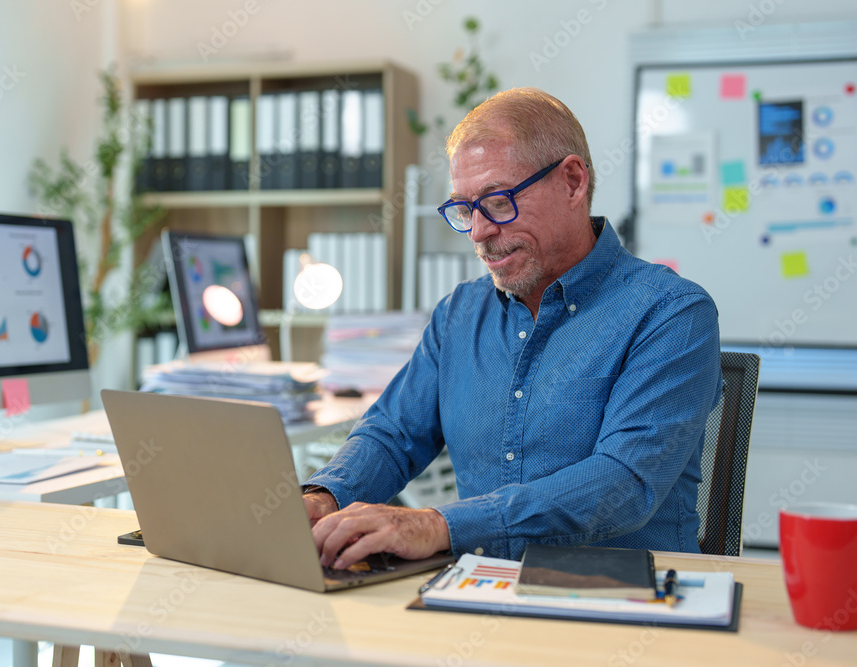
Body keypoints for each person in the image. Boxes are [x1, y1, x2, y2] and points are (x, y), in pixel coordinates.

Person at [303, 88, 723, 571]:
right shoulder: (459, 313)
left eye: (498, 202)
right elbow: (393, 433)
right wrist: (324, 496)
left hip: (625, 606)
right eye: (464, 209)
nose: (479, 231)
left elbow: (624, 481)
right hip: (481, 591)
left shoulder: (671, 313)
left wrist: (441, 527)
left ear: (571, 182)